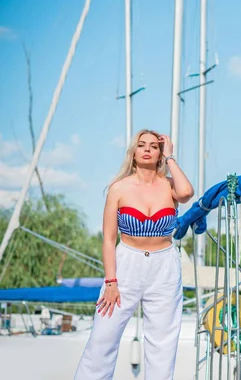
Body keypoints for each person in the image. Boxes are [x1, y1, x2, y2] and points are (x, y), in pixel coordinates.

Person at [74, 129, 194, 379]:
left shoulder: (170, 186)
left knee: (162, 345)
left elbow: (186, 194)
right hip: (127, 264)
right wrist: (111, 281)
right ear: (134, 152)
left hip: (165, 267)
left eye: (154, 145)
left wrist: (171, 158)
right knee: (102, 340)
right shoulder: (119, 188)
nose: (148, 149)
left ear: (161, 152)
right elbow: (108, 240)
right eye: (142, 145)